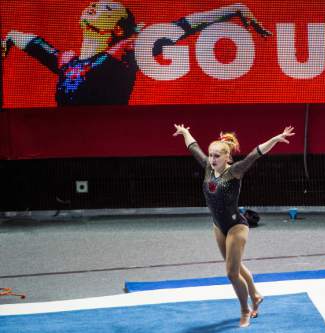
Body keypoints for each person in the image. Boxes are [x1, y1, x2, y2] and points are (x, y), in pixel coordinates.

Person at [1, 1, 271, 106]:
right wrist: (9, 38)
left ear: (118, 28)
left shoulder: (126, 52)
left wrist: (235, 8)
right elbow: (29, 40)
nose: (95, 6)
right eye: (96, 3)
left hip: (107, 135)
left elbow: (185, 25)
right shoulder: (66, 61)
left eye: (106, 8)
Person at [173, 124, 295, 327]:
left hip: (236, 226)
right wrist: (185, 132)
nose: (212, 160)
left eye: (216, 156)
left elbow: (256, 154)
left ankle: (245, 310)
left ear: (227, 157)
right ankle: (255, 294)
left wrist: (276, 138)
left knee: (231, 272)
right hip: (218, 226)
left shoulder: (235, 171)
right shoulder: (207, 168)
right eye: (210, 155)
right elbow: (193, 147)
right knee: (235, 266)